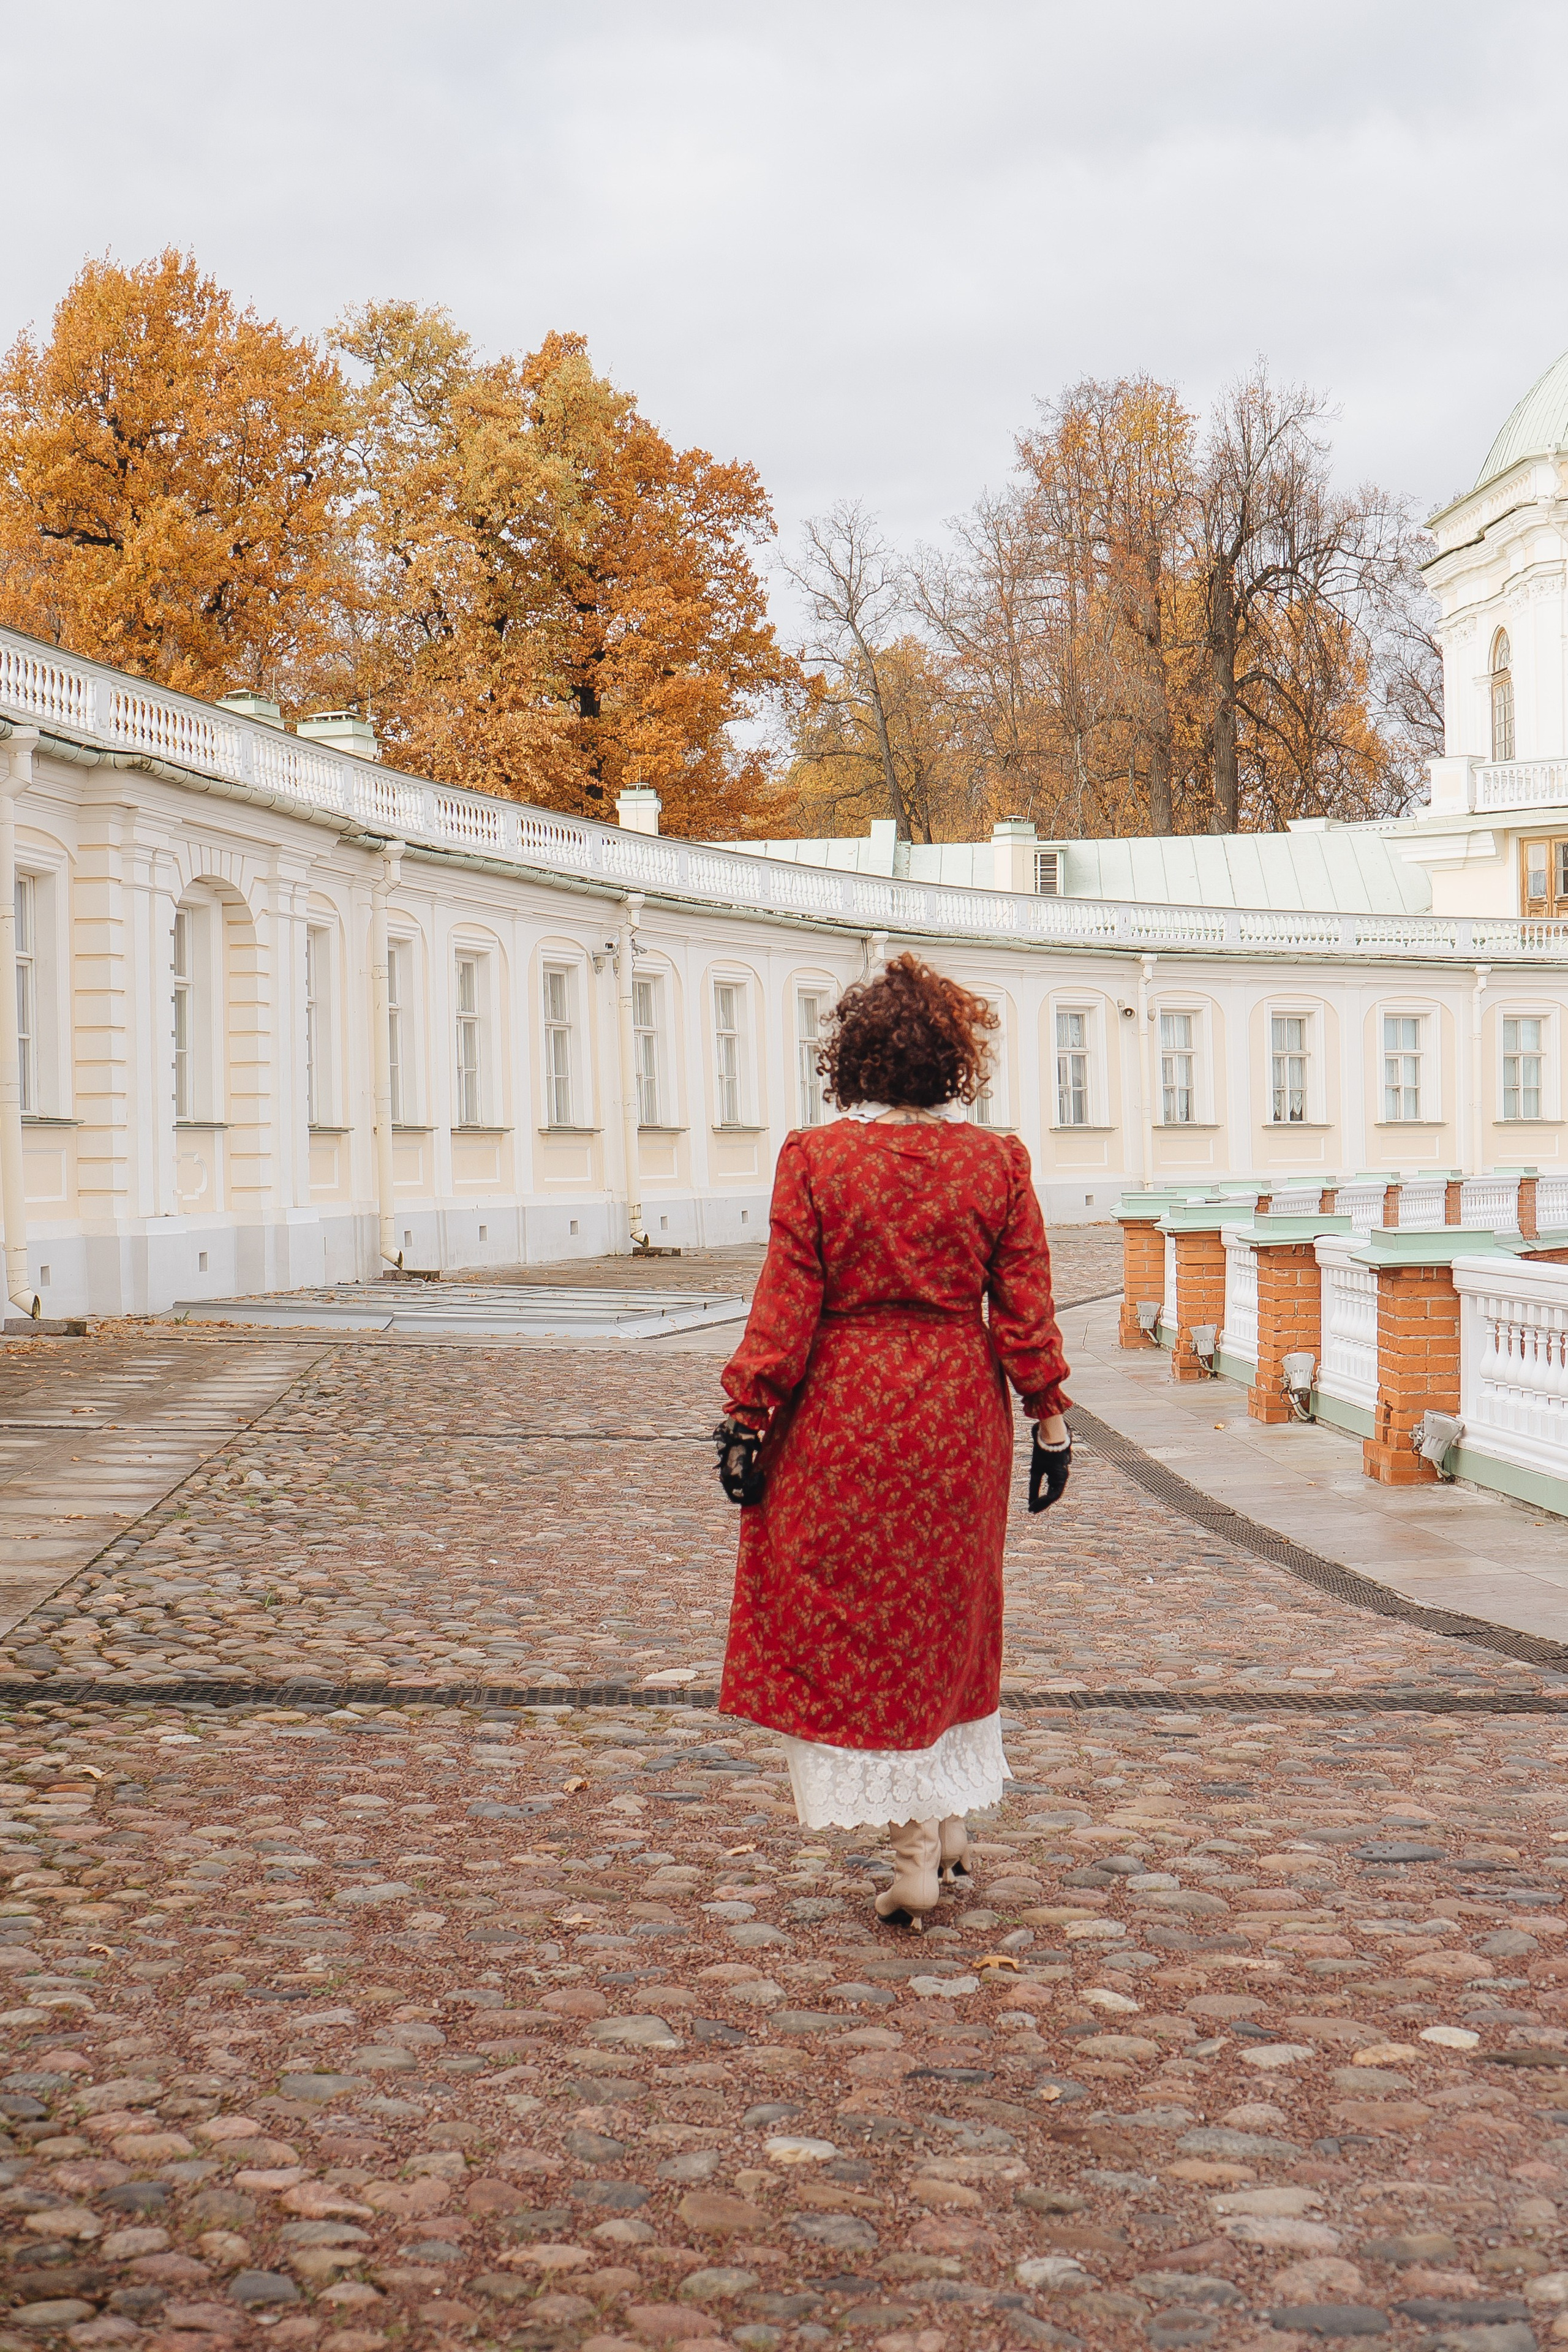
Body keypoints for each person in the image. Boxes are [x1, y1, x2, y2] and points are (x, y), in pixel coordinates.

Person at [712, 952, 1071, 1929]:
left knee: (856, 1617)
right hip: (960, 1407)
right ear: (955, 1063)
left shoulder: (818, 1158)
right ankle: (945, 1826)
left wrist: (747, 1414)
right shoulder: (997, 1163)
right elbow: (1024, 1305)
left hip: (845, 1407)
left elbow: (787, 1305)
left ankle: (916, 1855)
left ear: (854, 1059)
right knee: (950, 1608)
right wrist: (1048, 1420)